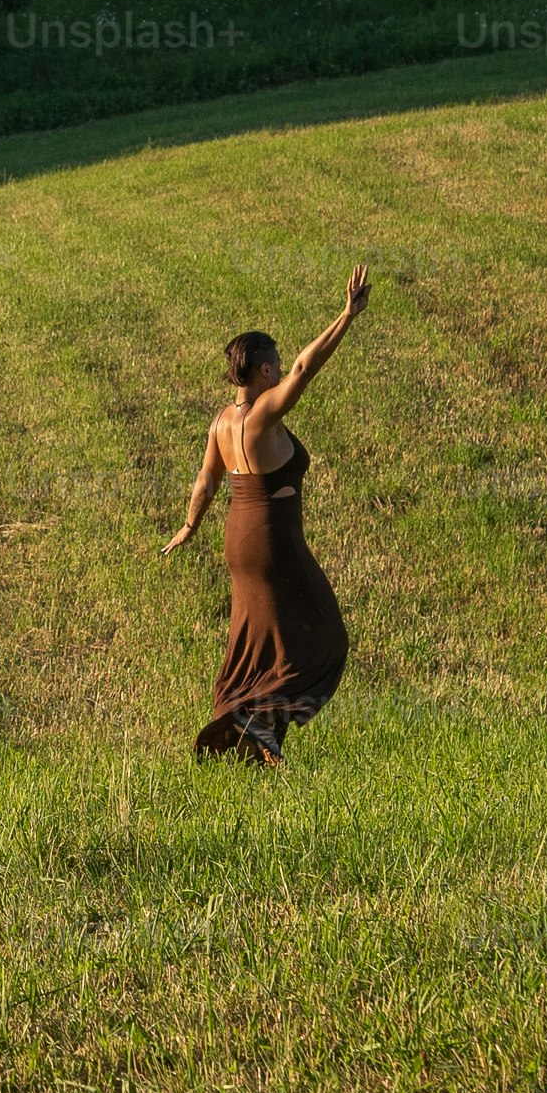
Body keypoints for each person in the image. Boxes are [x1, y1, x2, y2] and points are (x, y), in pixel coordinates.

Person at [164, 265, 367, 764]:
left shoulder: (221, 423)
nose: (279, 369)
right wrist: (346, 316)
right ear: (261, 372)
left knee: (254, 641)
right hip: (273, 539)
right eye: (273, 363)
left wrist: (190, 526)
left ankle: (249, 737)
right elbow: (305, 369)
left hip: (238, 540)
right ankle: (260, 719)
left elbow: (205, 482)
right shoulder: (261, 416)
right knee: (324, 634)